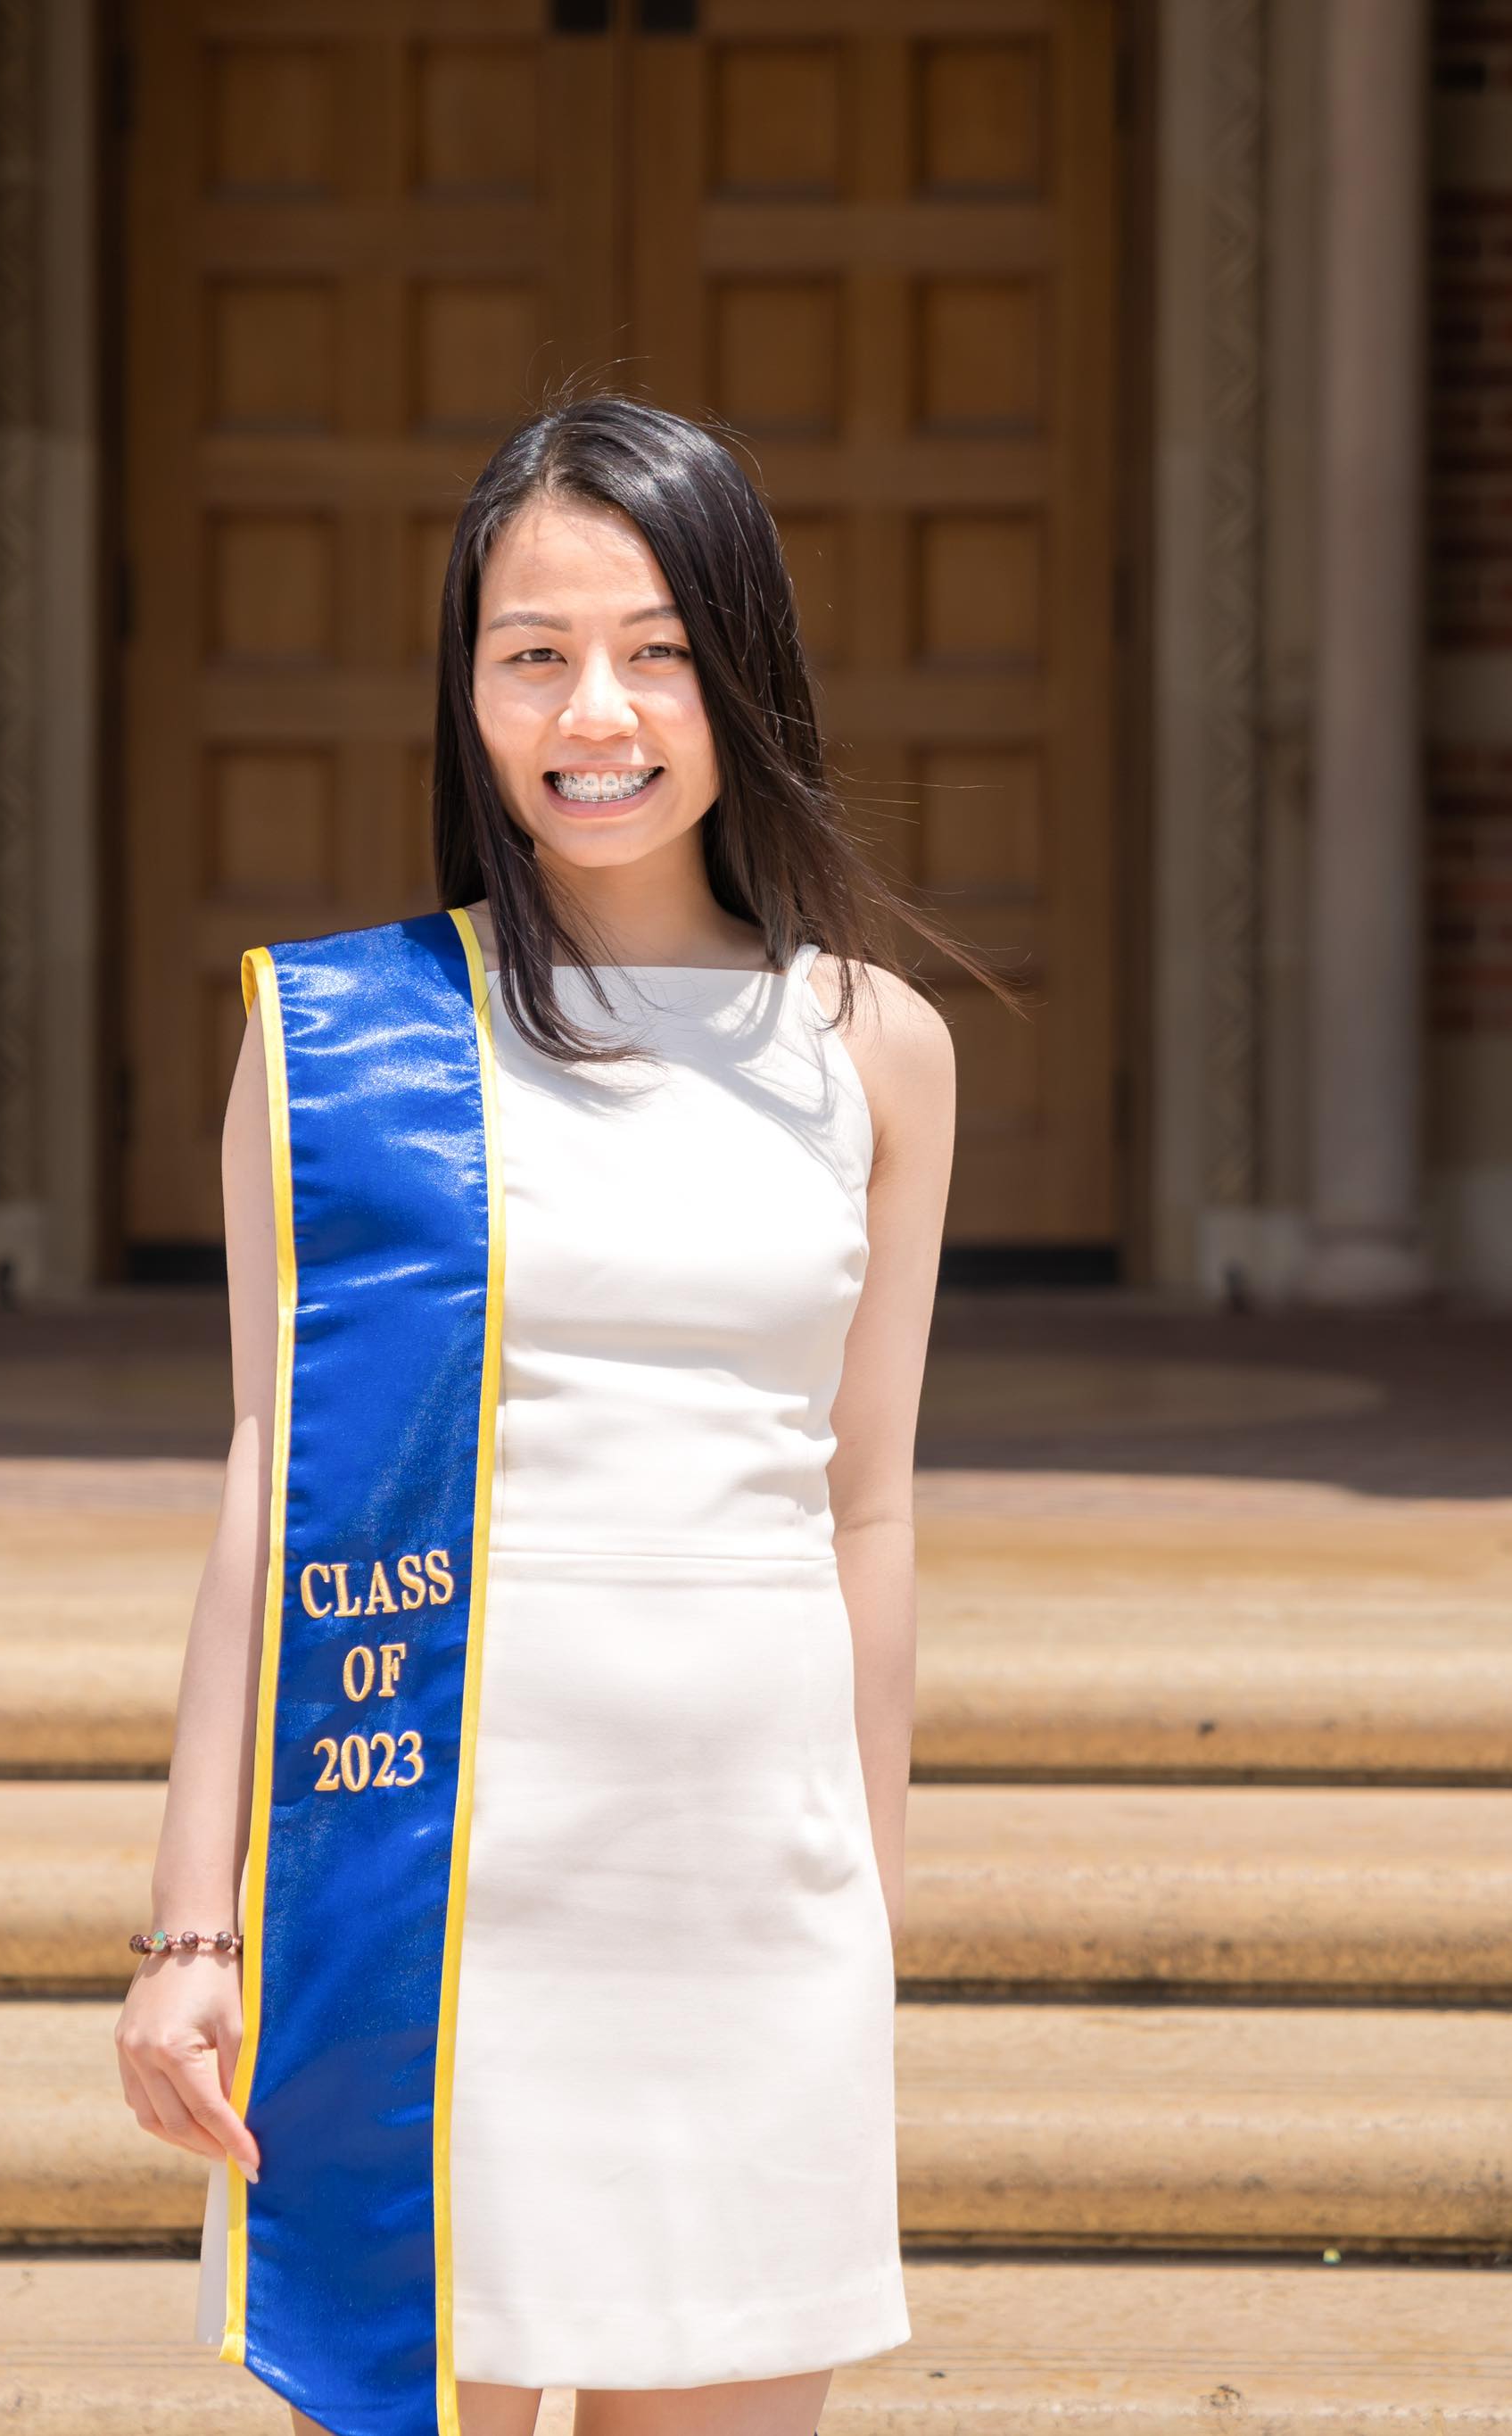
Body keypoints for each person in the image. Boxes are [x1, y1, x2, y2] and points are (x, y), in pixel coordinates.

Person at [112, 394, 960, 2436]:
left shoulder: (876, 1050)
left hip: (746, 1875)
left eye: (657, 649)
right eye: (533, 652)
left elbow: (867, 1509)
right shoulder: (340, 1046)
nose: (597, 710)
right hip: (451, 1869)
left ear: (739, 675)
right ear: (467, 688)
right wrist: (185, 1926)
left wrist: (870, 1895)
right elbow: (271, 1475)